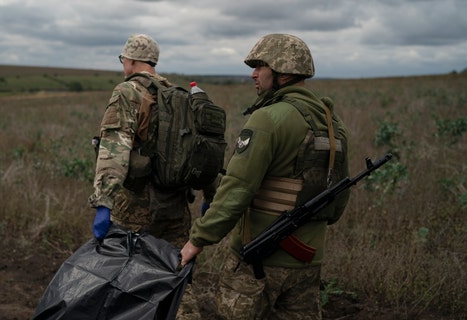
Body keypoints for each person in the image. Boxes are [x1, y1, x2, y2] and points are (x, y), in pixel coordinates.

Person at [179, 33, 351, 319]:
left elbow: (237, 189)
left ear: (282, 72)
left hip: (257, 258)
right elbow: (337, 203)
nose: (253, 75)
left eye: (261, 67)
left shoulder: (268, 118)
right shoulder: (333, 123)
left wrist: (197, 239)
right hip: (308, 261)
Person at [89, 33, 214, 319]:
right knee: (176, 277)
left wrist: (104, 202)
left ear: (131, 61)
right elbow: (203, 151)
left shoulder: (127, 92)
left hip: (135, 207)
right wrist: (211, 193)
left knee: (127, 280)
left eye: (123, 60)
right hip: (177, 206)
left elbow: (114, 148)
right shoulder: (181, 96)